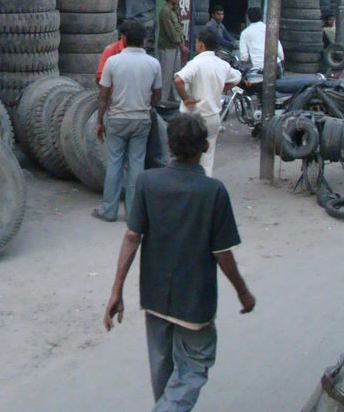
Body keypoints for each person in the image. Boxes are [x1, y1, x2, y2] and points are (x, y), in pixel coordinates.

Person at [103, 114, 255, 411]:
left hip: (155, 295)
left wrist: (116, 291)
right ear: (205, 147)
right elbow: (222, 253)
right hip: (194, 301)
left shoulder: (147, 182)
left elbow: (132, 237)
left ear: (169, 145)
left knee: (162, 365)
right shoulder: (213, 191)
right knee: (195, 365)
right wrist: (243, 292)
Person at [94, 21, 162, 223]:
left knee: (114, 164)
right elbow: (157, 95)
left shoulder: (112, 62)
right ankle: (133, 213)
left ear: (123, 39)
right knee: (136, 165)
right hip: (141, 119)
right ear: (144, 40)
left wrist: (99, 121)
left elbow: (103, 95)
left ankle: (108, 210)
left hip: (116, 118)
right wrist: (147, 105)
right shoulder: (153, 63)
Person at [173, 29, 242, 176]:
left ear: (201, 45)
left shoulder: (195, 63)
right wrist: (221, 88)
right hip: (212, 117)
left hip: (191, 117)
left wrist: (186, 99)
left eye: (197, 41)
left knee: (187, 154)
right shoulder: (222, 64)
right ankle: (204, 185)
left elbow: (178, 80)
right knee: (207, 156)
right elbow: (237, 78)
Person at [157, 0, 187, 104]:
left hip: (175, 47)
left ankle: (175, 98)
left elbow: (178, 28)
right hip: (167, 47)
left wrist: (181, 44)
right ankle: (162, 99)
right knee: (166, 74)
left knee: (176, 73)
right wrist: (181, 45)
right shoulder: (165, 11)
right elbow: (171, 31)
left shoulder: (174, 10)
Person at [237, 7, 283, 71]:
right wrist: (282, 60)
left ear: (248, 18)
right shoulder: (269, 29)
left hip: (259, 68)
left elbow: (244, 57)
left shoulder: (245, 33)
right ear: (261, 16)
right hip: (276, 66)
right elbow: (280, 51)